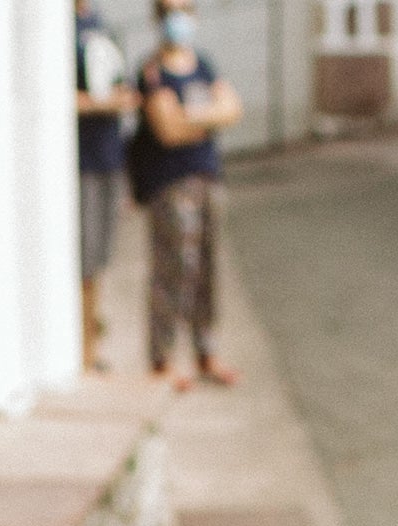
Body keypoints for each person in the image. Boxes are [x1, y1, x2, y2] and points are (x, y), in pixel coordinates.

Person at [128, 7, 242, 388]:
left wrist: (189, 114)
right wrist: (208, 115)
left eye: (186, 10)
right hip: (168, 183)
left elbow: (233, 109)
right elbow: (168, 130)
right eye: (172, 11)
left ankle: (206, 353)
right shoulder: (152, 72)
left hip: (206, 177)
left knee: (207, 268)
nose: (181, 20)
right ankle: (162, 360)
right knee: (174, 269)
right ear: (159, 19)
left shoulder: (202, 63)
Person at [74, 3, 135, 370]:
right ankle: (84, 350)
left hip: (109, 157)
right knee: (84, 258)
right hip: (81, 162)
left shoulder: (105, 28)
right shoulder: (61, 29)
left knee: (100, 257)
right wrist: (100, 103)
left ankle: (92, 334)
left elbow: (120, 90)